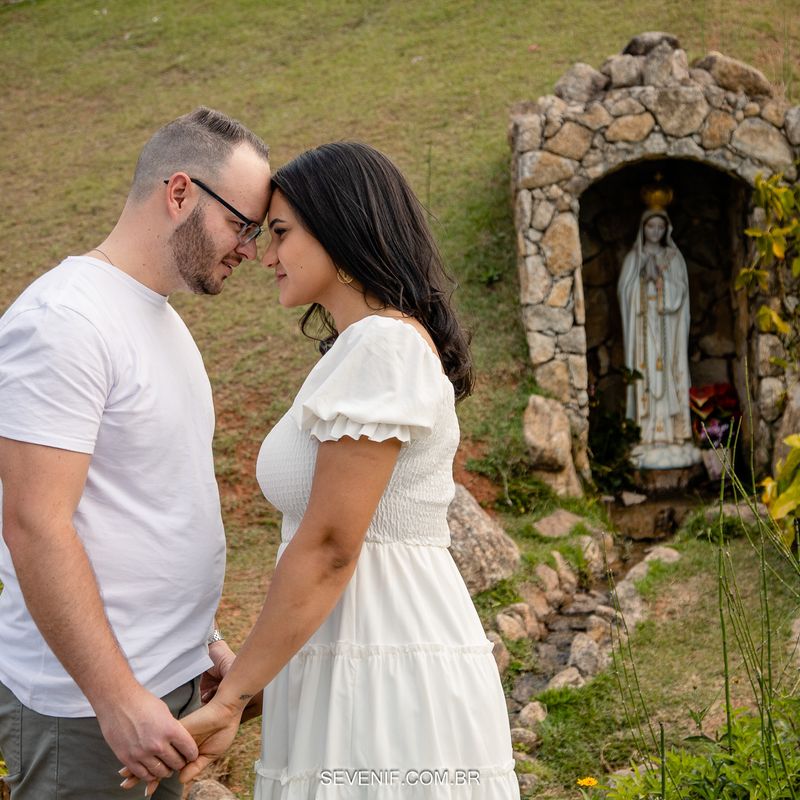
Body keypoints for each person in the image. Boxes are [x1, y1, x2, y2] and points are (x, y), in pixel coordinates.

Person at [168, 142, 520, 798]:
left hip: (385, 670)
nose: (265, 256)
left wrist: (233, 696)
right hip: (352, 658)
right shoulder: (359, 350)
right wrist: (255, 680)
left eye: (279, 233)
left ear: (340, 227)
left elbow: (331, 548)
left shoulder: (382, 347)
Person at [0, 107, 271, 799]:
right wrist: (117, 699)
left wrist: (199, 641)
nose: (250, 248)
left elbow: (150, 500)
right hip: (90, 713)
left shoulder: (161, 318)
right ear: (179, 193)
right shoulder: (63, 322)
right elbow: (35, 524)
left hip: (166, 687)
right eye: (242, 224)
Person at [617, 206, 700, 470]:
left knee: (668, 377)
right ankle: (645, 435)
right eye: (650, 227)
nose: (655, 232)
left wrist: (660, 280)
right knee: (647, 378)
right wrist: (642, 280)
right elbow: (624, 293)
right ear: (642, 228)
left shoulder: (674, 257)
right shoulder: (634, 257)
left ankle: (674, 434)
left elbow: (682, 293)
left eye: (660, 227)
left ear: (667, 229)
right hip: (643, 331)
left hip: (668, 330)